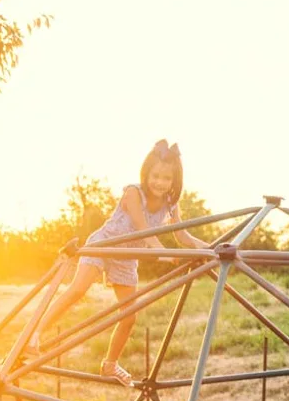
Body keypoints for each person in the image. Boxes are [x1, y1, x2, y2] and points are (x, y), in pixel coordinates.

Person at [29, 140, 211, 386]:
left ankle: (110, 365)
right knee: (78, 290)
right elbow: (143, 230)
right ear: (146, 174)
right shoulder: (133, 193)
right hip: (105, 244)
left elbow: (182, 235)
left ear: (174, 180)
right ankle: (34, 334)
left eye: (166, 178)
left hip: (127, 258)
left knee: (129, 317)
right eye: (155, 176)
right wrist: (165, 254)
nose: (159, 182)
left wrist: (209, 249)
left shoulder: (170, 203)